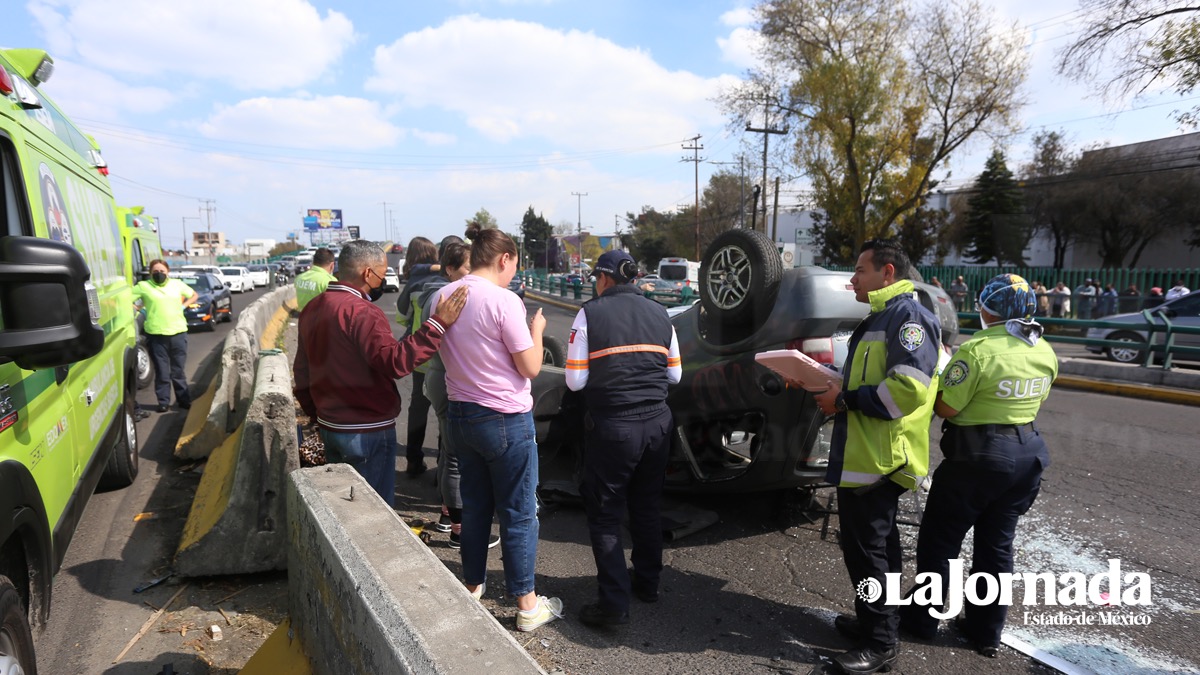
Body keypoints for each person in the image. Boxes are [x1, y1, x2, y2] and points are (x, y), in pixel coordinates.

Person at [900, 274, 1057, 658]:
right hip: (1027, 453)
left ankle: (921, 621)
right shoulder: (1044, 351)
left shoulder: (979, 350)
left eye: (984, 303)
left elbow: (946, 407)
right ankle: (986, 631)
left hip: (978, 455)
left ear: (991, 308)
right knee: (997, 547)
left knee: (941, 540)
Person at [812, 239, 941, 674]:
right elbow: (871, 379)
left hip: (882, 460)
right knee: (877, 549)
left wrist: (844, 401)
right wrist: (826, 383)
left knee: (868, 553)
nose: (851, 281)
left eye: (859, 271)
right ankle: (875, 623)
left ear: (888, 272)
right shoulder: (883, 316)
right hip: (868, 456)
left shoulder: (908, 317)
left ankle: (881, 645)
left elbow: (907, 389)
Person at [436, 223, 563, 632]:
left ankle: (472, 584)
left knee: (475, 507)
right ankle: (527, 604)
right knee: (519, 511)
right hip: (505, 419)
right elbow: (528, 367)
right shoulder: (505, 301)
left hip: (461, 415)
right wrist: (537, 332)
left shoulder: (443, 295)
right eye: (514, 266)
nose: (514, 274)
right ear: (504, 259)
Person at [293, 240, 468, 506]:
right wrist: (437, 324)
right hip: (366, 430)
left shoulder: (312, 308)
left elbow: (302, 372)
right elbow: (394, 362)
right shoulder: (363, 312)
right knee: (373, 510)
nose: (383, 280)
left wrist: (318, 416)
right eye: (382, 273)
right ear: (367, 274)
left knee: (343, 509)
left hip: (331, 425)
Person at [564, 250, 683, 628]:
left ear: (603, 278)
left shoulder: (590, 313)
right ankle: (648, 583)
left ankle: (613, 604)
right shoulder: (661, 312)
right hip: (658, 425)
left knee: (605, 514)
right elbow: (675, 376)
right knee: (646, 507)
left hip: (614, 427)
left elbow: (575, 380)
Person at [418, 238, 499, 549]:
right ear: (451, 269)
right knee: (455, 457)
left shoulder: (437, 294)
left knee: (449, 449)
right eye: (468, 267)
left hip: (439, 377)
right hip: (451, 379)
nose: (473, 273)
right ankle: (459, 530)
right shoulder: (451, 296)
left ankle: (446, 515)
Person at [397, 236, 442, 477]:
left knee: (418, 408)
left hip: (421, 357)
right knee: (446, 411)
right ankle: (445, 467)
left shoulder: (414, 281)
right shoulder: (452, 278)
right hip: (447, 358)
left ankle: (414, 461)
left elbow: (402, 315)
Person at [133, 260, 198, 413]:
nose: (159, 274)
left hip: (178, 333)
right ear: (150, 273)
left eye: (162, 271)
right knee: (162, 371)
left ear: (168, 271)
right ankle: (163, 402)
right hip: (156, 335)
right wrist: (140, 309)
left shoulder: (177, 284)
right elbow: (125, 298)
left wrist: (183, 306)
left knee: (178, 371)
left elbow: (194, 295)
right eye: (155, 271)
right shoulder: (144, 286)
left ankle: (183, 400)